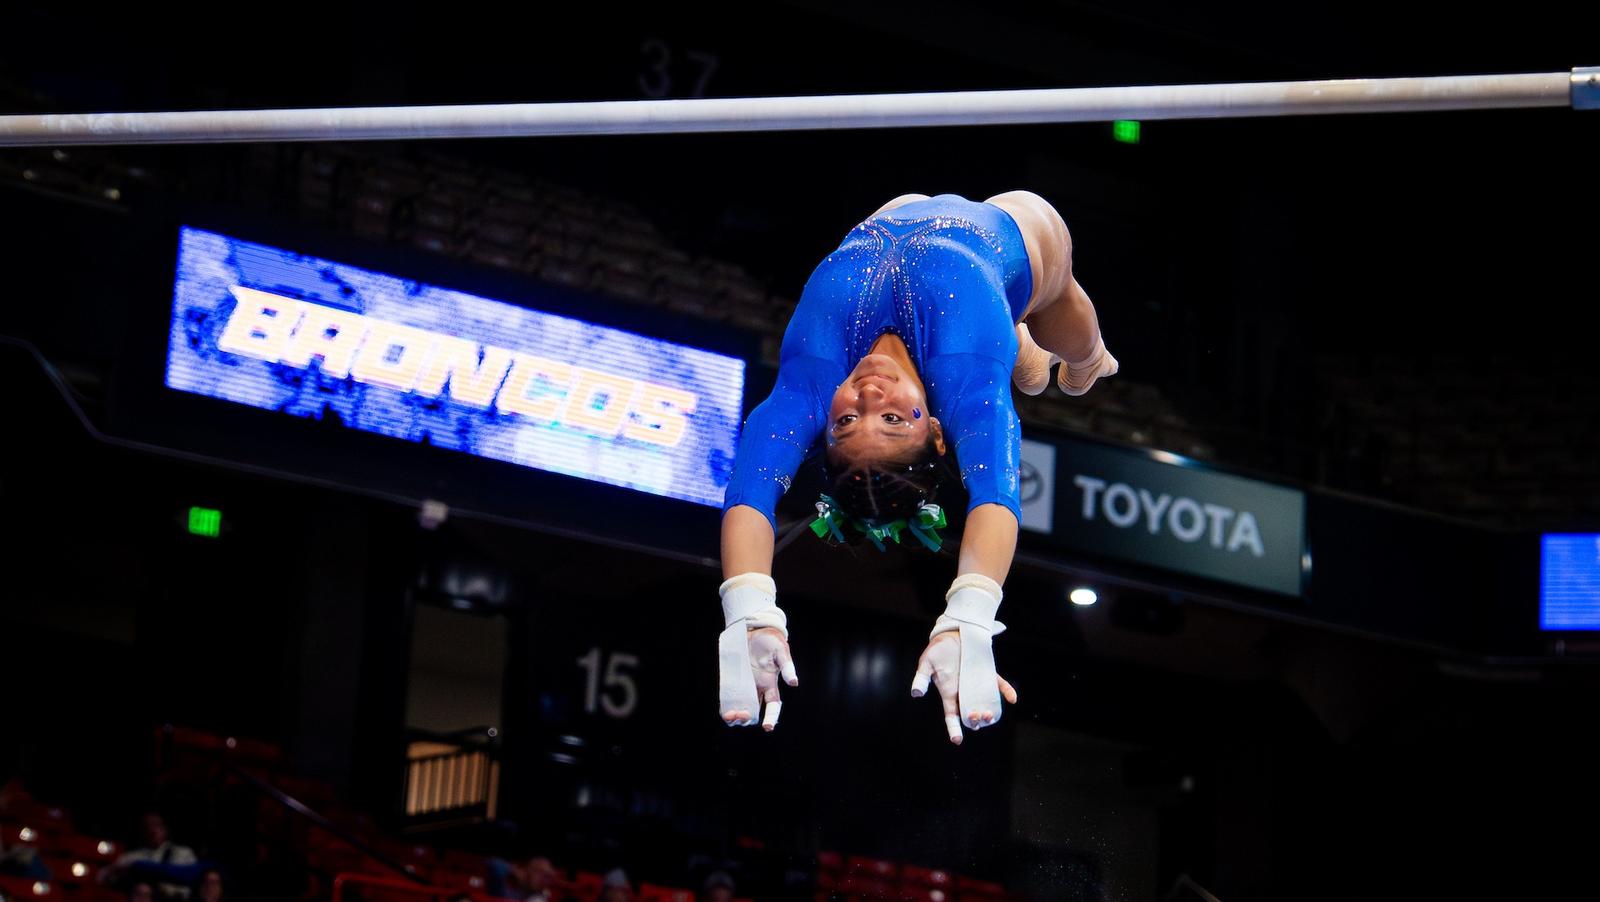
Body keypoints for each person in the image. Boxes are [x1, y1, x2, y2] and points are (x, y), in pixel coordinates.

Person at [718, 191, 1117, 742]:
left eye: (846, 421)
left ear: (821, 428)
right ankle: (1080, 356)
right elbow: (995, 494)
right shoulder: (964, 369)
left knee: (1019, 365)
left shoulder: (813, 376)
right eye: (891, 419)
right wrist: (970, 613)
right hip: (1015, 239)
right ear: (935, 430)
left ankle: (1020, 350)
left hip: (891, 215)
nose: (867, 395)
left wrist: (748, 608)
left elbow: (750, 492)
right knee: (1070, 347)